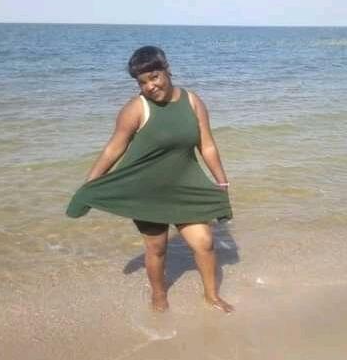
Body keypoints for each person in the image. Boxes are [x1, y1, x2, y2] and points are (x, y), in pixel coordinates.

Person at [66, 46, 233, 314]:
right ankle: (158, 294)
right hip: (146, 189)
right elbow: (113, 149)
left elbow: (207, 145)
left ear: (167, 70)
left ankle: (212, 296)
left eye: (154, 77)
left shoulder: (192, 102)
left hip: (184, 186)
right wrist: (90, 185)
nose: (150, 86)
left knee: (204, 242)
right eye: (142, 82)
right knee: (157, 248)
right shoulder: (136, 108)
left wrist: (221, 182)